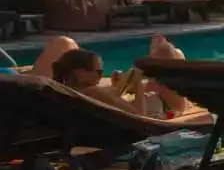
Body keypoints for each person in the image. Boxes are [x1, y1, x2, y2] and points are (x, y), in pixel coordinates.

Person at [32, 34, 192, 117]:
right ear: (81, 74)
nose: (101, 77)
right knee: (171, 53)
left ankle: (162, 57)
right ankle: (162, 55)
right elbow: (139, 116)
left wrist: (116, 88)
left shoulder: (71, 91)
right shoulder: (92, 92)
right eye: (99, 72)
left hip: (152, 106)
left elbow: (112, 104)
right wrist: (137, 85)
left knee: (175, 54)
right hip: (152, 116)